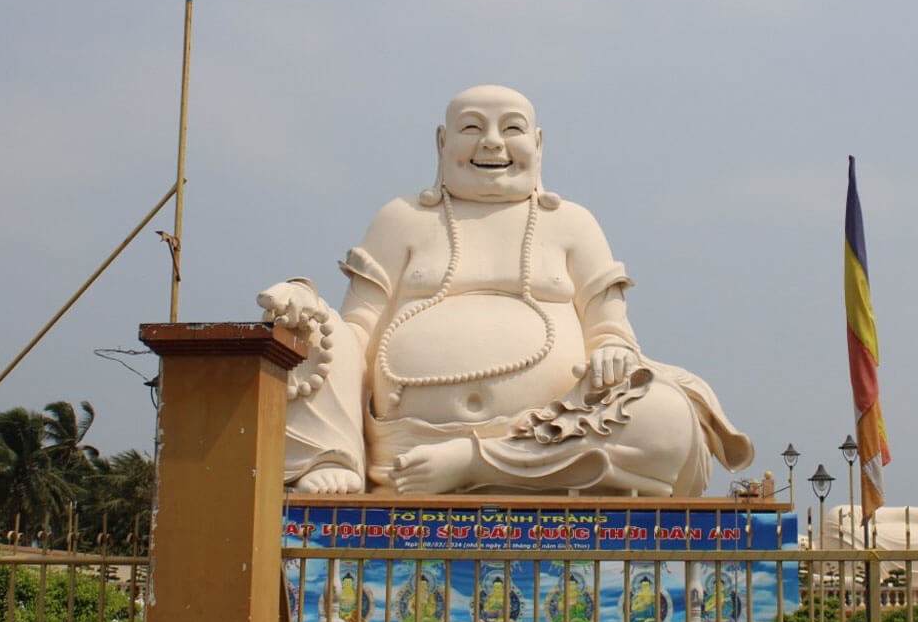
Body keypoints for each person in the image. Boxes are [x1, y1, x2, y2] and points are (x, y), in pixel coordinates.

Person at [261, 85, 753, 497]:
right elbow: (356, 330)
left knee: (668, 419)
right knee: (311, 329)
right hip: (404, 451)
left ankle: (479, 464)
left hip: (553, 438)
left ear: (538, 144)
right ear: (441, 142)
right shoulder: (402, 219)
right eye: (472, 128)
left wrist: (613, 354)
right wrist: (305, 302)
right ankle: (336, 455)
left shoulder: (573, 225)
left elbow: (612, 332)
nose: (492, 143)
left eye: (512, 129)